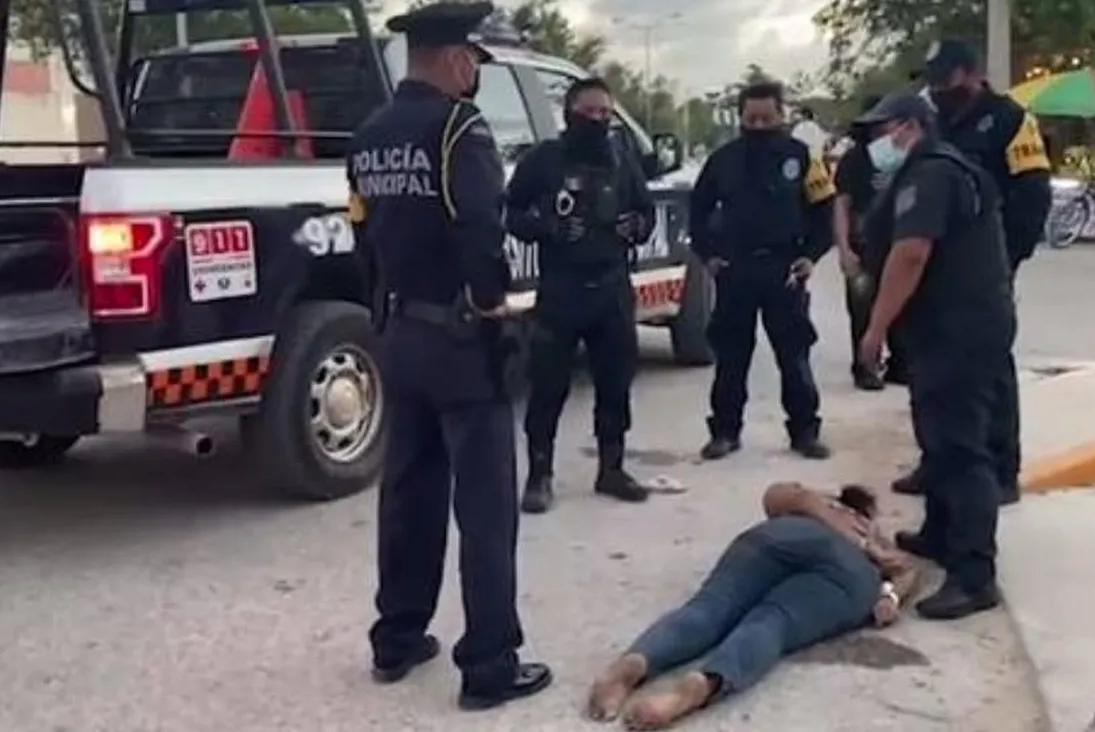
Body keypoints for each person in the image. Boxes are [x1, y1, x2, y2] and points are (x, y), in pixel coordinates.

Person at [345, 1, 551, 710]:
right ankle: (489, 663)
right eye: (474, 63)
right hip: (461, 340)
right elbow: (482, 231)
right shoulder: (460, 127)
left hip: (398, 335)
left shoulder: (370, 134)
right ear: (457, 59)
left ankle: (396, 638)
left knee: (408, 493)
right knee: (487, 505)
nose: (474, 77)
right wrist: (494, 303)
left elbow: (363, 236)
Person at [856, 91, 1015, 619]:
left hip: (959, 331)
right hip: (948, 329)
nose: (876, 142)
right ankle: (942, 534)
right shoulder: (937, 169)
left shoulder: (932, 174)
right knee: (939, 440)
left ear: (911, 127)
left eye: (882, 131)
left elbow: (911, 253)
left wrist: (875, 329)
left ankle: (974, 574)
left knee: (961, 448)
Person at [584, 481, 920, 729]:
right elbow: (907, 569)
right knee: (773, 622)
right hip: (847, 570)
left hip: (782, 537)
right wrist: (887, 588)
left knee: (709, 608)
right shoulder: (868, 536)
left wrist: (885, 583)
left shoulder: (811, 505)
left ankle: (631, 665)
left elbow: (775, 494)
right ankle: (701, 686)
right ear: (867, 512)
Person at [892, 39, 1051, 504]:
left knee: (990, 370)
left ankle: (1002, 468)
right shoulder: (936, 123)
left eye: (946, 78)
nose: (938, 88)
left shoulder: (1010, 119)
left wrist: (1008, 258)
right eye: (933, 80)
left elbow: (1033, 193)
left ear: (970, 72)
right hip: (937, 267)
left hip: (985, 268)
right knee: (929, 368)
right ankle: (935, 460)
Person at [505, 77, 656, 514]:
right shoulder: (544, 160)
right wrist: (547, 226)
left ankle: (612, 467)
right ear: (570, 113)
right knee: (548, 385)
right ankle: (539, 474)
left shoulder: (621, 159)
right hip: (562, 287)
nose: (598, 121)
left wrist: (637, 229)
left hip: (611, 286)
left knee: (615, 382)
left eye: (605, 114)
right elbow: (511, 212)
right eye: (589, 113)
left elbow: (645, 212)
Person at [690, 81, 835, 461]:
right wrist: (708, 255)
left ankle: (805, 432)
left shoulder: (801, 156)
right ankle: (724, 432)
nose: (758, 125)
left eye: (766, 118)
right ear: (740, 117)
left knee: (794, 356)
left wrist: (812, 256)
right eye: (751, 118)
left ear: (781, 116)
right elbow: (698, 212)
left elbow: (825, 210)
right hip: (735, 270)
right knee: (731, 357)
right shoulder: (723, 159)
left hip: (785, 269)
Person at [833, 94, 910, 391]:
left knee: (904, 305)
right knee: (863, 307)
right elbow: (842, 205)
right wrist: (843, 248)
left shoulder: (910, 155)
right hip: (864, 245)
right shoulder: (855, 160)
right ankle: (864, 365)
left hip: (900, 241)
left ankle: (900, 364)